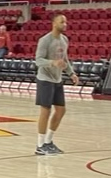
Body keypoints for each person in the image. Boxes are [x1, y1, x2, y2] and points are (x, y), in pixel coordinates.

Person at [34, 14, 80, 155]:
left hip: (57, 79)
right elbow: (38, 60)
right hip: (45, 79)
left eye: (66, 21)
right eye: (62, 22)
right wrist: (52, 62)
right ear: (54, 23)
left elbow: (64, 59)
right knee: (45, 111)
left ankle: (48, 141)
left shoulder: (64, 39)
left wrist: (71, 73)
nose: (65, 24)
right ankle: (40, 145)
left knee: (61, 110)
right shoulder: (45, 40)